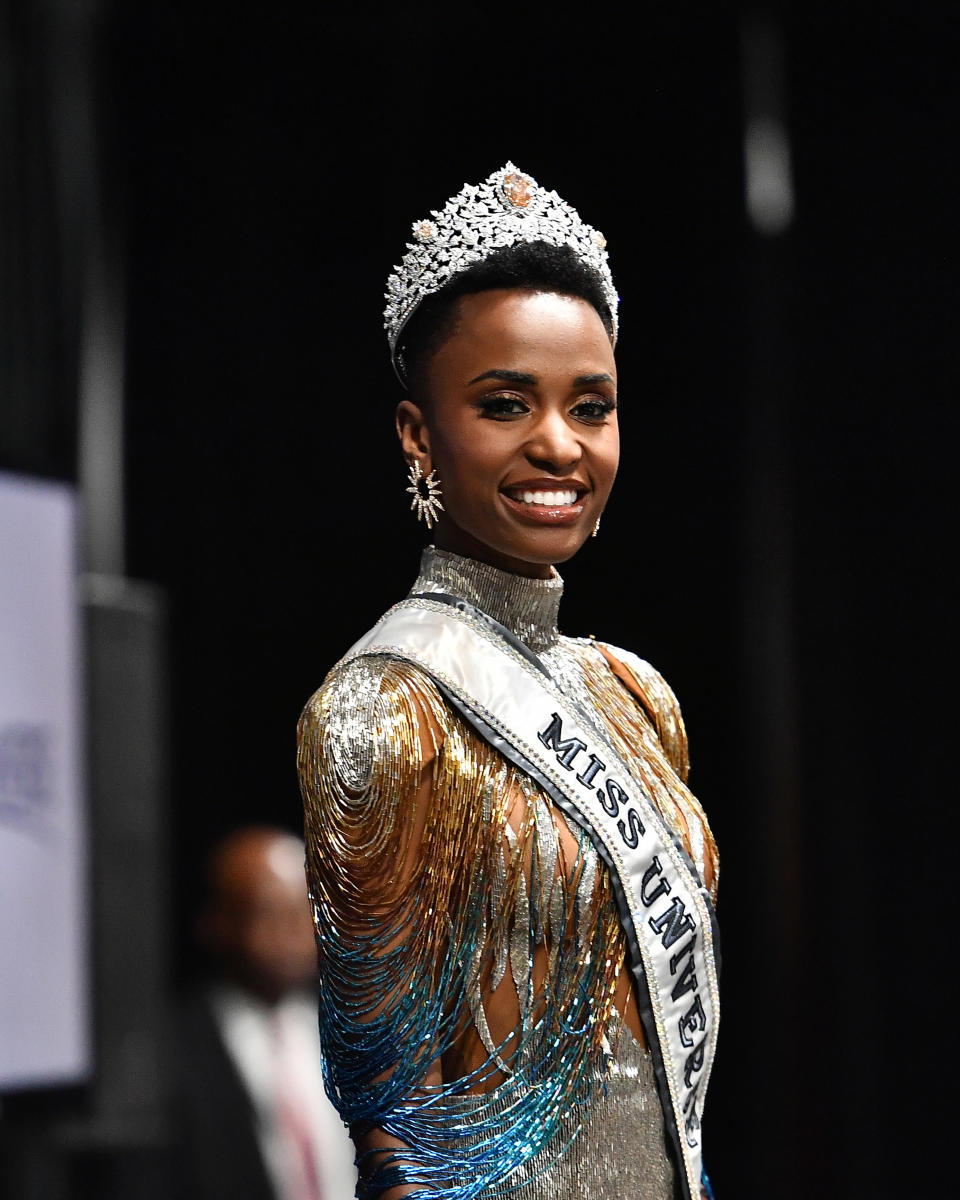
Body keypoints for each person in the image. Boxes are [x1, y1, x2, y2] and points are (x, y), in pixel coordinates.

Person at [297, 164, 720, 1200]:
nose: (558, 444)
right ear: (416, 433)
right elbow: (395, 1137)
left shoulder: (636, 695)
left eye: (592, 406)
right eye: (504, 403)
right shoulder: (386, 710)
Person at [172, 825, 358, 1200]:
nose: (292, 935)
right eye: (269, 913)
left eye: (303, 911)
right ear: (216, 923)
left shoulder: (352, 1032)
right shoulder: (174, 1049)